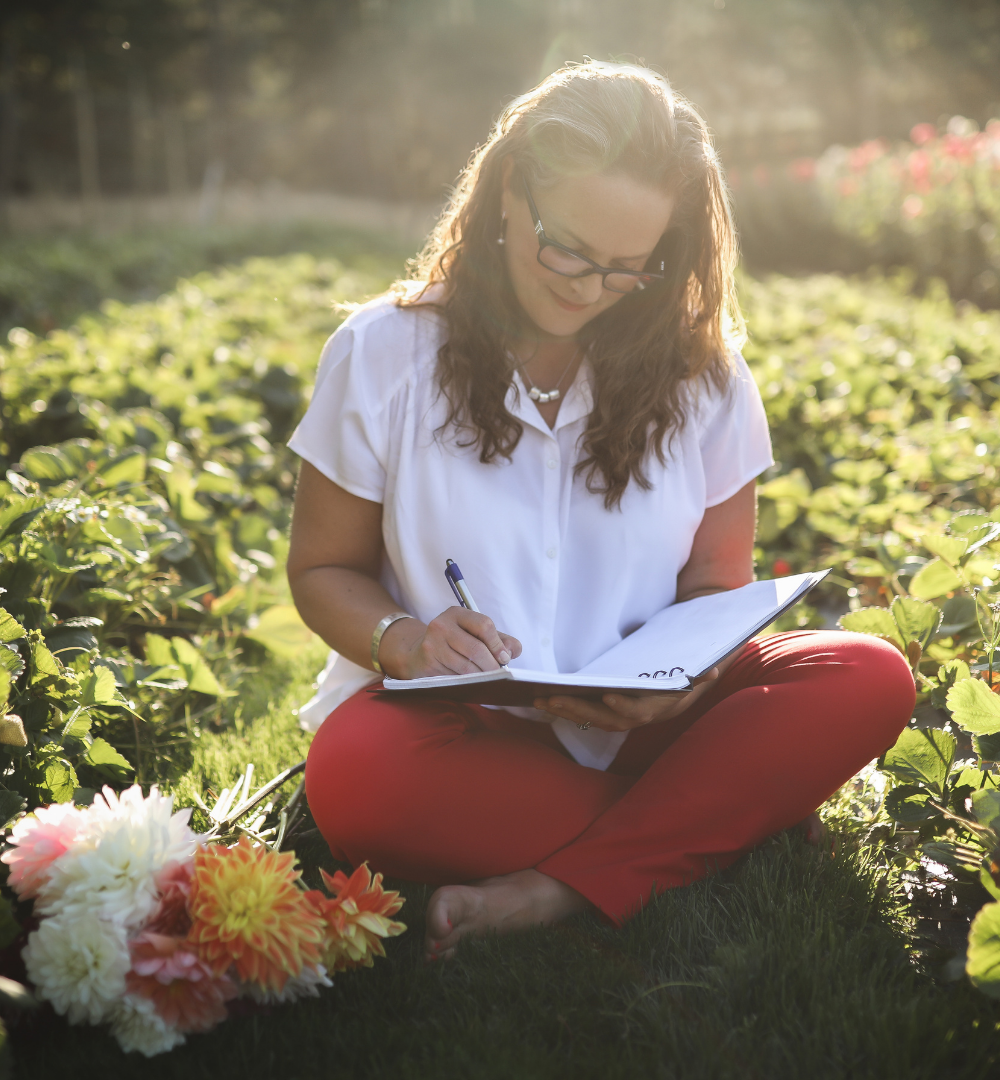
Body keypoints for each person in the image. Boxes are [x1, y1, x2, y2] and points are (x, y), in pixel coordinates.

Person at [286, 61, 915, 962]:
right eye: (567, 248)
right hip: (460, 733)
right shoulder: (384, 352)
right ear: (509, 191)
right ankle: (712, 825)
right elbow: (322, 571)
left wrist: (687, 686)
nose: (588, 286)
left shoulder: (707, 379)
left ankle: (555, 889)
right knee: (356, 780)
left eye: (630, 267)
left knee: (868, 672)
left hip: (642, 733)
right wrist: (406, 641)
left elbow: (714, 591)